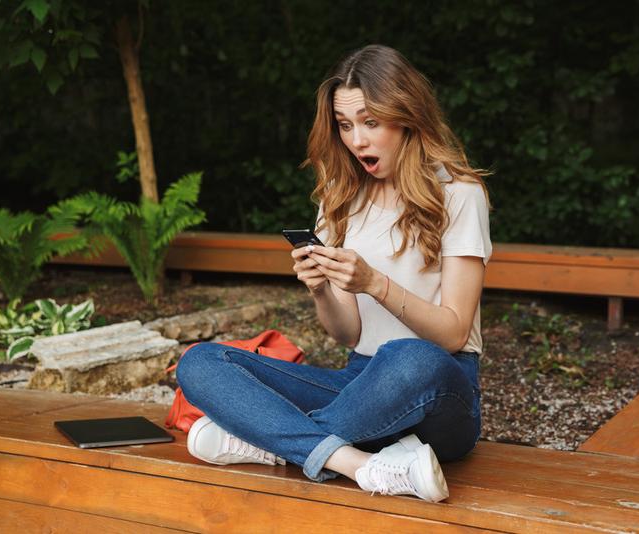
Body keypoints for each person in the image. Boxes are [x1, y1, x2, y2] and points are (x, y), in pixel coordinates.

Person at [176, 44, 491, 503]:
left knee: (411, 356)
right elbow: (347, 334)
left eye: (370, 122)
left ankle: (265, 442)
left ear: (406, 116)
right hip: (360, 387)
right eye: (345, 126)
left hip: (440, 392)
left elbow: (454, 332)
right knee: (201, 362)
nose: (357, 140)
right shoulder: (341, 201)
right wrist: (321, 288)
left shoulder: (460, 194)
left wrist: (374, 284)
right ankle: (357, 463)